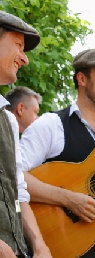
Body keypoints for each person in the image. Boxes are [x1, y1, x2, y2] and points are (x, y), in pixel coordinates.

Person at [20, 48, 95, 258]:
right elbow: (12, 177)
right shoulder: (52, 125)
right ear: (81, 78)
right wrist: (68, 199)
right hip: (69, 250)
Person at [0, 10, 51, 258]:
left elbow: (18, 191)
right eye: (18, 46)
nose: (25, 59)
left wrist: (39, 245)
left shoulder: (7, 118)